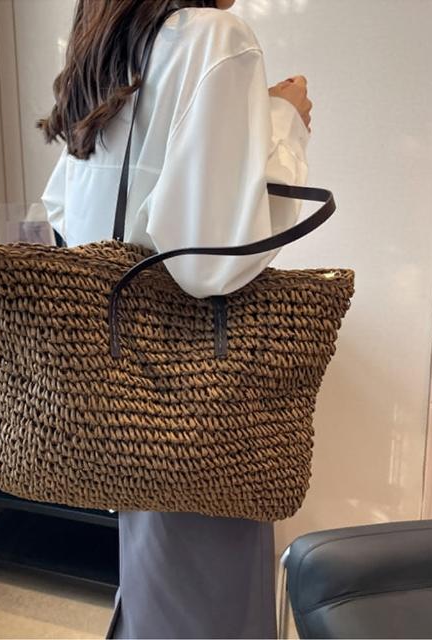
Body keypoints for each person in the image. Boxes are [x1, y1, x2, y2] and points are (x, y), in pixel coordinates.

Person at [38, 1, 312, 637]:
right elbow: (209, 260)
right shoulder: (215, 37)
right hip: (200, 404)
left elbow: (63, 207)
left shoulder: (110, 51)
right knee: (211, 603)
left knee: (154, 582)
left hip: (118, 396)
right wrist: (285, 121)